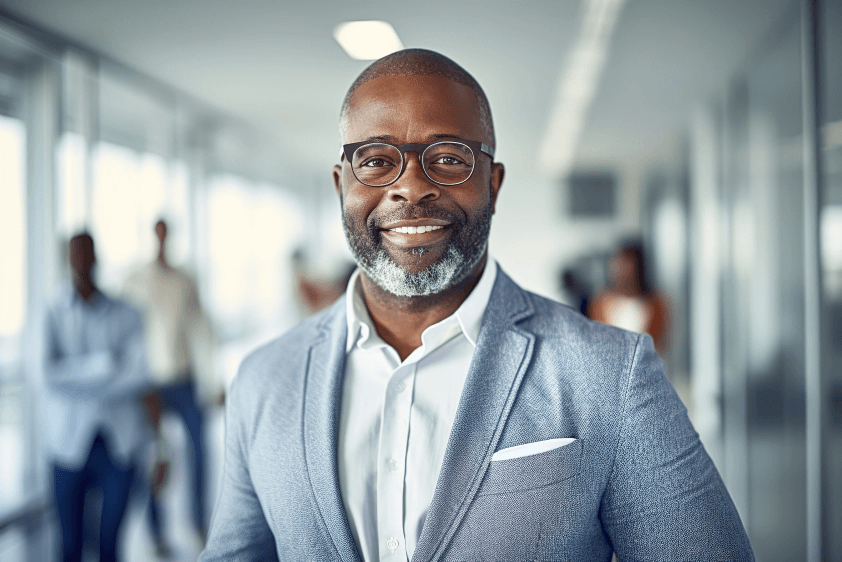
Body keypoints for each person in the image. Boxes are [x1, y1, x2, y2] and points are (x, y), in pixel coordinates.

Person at [200, 49, 753, 561]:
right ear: (342, 183)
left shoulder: (611, 373)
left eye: (447, 158)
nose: (411, 186)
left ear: (494, 182)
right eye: (374, 160)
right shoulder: (263, 379)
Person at [44, 233, 161, 562]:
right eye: (74, 255)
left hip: (118, 446)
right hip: (67, 448)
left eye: (87, 254)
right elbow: (46, 377)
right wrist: (107, 366)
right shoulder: (49, 313)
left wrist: (74, 378)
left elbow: (141, 375)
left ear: (97, 258)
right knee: (70, 546)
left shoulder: (128, 313)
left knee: (111, 544)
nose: (82, 262)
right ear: (67, 260)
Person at [123, 219, 218, 555]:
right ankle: (157, 534)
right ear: (153, 235)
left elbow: (201, 329)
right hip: (152, 386)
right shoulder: (135, 280)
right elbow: (127, 334)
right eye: (159, 232)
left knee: (200, 451)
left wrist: (212, 381)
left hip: (184, 380)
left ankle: (198, 523)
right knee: (154, 457)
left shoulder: (185, 280)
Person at [589, 240, 672, 357]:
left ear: (638, 267)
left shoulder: (655, 302)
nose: (622, 270)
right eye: (618, 264)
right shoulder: (601, 301)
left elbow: (660, 343)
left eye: (628, 264)